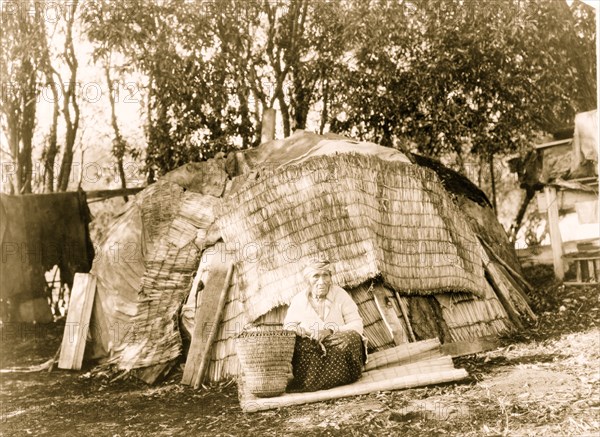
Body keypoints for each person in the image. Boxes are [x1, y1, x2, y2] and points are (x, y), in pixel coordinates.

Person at [283, 260, 366, 392]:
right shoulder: (299, 300)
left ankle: (317, 381)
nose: (321, 281)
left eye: (325, 275)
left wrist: (330, 330)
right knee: (298, 344)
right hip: (313, 349)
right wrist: (298, 331)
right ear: (307, 280)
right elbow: (288, 326)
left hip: (339, 345)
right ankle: (332, 379)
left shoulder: (340, 294)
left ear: (330, 278)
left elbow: (357, 325)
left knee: (351, 337)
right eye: (316, 276)